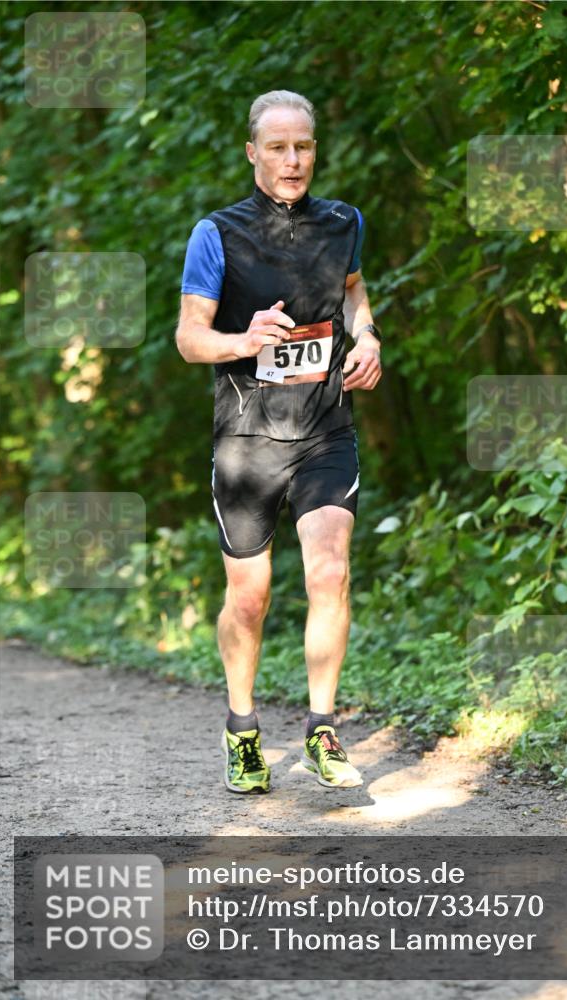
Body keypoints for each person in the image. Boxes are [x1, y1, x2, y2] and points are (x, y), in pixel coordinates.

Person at [176, 90, 382, 794]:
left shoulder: (343, 223)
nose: (293, 160)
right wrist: (243, 339)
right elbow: (187, 338)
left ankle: (323, 729)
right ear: (252, 153)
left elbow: (353, 293)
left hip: (325, 429)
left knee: (329, 573)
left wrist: (367, 336)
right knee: (250, 597)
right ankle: (241, 731)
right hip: (247, 440)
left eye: (304, 147)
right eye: (278, 147)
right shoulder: (217, 234)